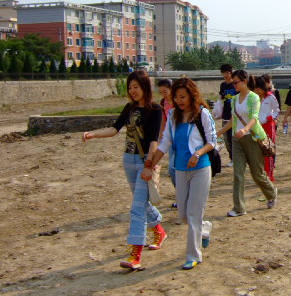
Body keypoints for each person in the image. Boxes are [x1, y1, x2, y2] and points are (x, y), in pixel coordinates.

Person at [82, 70, 166, 270]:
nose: (132, 91)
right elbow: (114, 129)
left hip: (144, 161)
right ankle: (159, 231)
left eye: (136, 86)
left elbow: (154, 140)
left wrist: (149, 165)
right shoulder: (129, 108)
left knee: (137, 207)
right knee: (141, 202)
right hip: (128, 160)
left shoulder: (155, 110)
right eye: (130, 87)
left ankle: (135, 254)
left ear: (145, 87)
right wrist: (93, 134)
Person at [146, 78, 216, 270]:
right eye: (176, 97)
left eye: (183, 97)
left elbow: (212, 141)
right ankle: (204, 228)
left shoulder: (202, 114)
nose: (179, 101)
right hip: (180, 169)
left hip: (201, 169)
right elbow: (165, 142)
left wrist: (198, 154)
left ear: (192, 95)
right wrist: (152, 164)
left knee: (193, 214)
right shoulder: (173, 115)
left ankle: (193, 255)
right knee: (184, 214)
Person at [217, 70, 278, 216]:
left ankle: (271, 193)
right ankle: (239, 208)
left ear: (244, 81)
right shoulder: (234, 99)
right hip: (237, 139)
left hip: (253, 138)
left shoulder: (253, 98)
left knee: (257, 174)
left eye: (236, 82)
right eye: (233, 83)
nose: (234, 85)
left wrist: (245, 129)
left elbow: (254, 118)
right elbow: (233, 120)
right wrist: (219, 132)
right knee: (238, 174)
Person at [254, 76, 280, 182]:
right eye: (255, 89)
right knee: (257, 151)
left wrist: (269, 118)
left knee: (267, 150)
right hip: (256, 127)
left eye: (259, 88)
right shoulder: (252, 98)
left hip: (268, 126)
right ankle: (260, 174)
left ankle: (269, 175)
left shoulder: (270, 97)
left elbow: (277, 111)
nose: (257, 91)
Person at [219, 64, 238, 167]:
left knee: (234, 137)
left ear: (231, 72)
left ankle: (236, 158)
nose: (225, 75)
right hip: (226, 114)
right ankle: (232, 158)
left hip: (235, 115)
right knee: (227, 139)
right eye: (224, 73)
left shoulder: (235, 84)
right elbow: (221, 98)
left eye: (227, 73)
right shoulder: (223, 85)